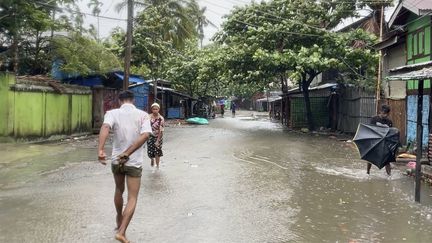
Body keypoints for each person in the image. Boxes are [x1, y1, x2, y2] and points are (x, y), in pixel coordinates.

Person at [98, 90, 152, 243]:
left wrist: (100, 150)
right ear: (133, 100)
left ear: (120, 101)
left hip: (116, 160)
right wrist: (128, 153)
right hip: (134, 162)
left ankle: (118, 218)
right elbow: (146, 135)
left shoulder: (112, 113)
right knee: (132, 197)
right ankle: (121, 232)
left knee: (118, 190)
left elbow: (105, 128)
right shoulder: (143, 115)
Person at [367, 104, 393, 176]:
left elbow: (390, 132)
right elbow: (371, 129)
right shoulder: (374, 119)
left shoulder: (389, 122)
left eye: (387, 114)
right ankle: (368, 172)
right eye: (384, 113)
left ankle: (389, 176)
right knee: (370, 158)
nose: (385, 115)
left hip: (384, 142)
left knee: (387, 160)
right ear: (380, 111)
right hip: (374, 140)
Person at [148, 103, 165, 168]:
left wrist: (158, 140)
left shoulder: (161, 118)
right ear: (151, 109)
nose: (155, 110)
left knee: (157, 151)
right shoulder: (148, 117)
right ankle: (152, 159)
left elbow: (161, 130)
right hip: (150, 136)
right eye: (153, 109)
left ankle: (157, 165)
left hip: (158, 136)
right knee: (150, 151)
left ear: (159, 109)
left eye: (156, 109)